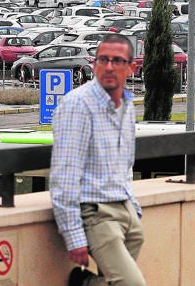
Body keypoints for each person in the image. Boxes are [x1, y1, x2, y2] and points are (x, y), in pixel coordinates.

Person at [49, 33, 146, 286]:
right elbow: (64, 175)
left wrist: (132, 208)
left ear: (131, 68)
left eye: (117, 60)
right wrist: (73, 235)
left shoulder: (126, 105)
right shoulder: (78, 105)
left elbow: (125, 163)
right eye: (103, 59)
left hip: (125, 210)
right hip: (96, 214)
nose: (109, 67)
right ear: (94, 64)